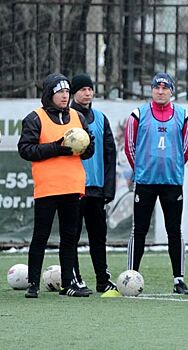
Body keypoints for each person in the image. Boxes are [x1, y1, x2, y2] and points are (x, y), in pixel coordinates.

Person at [18, 73, 94, 298]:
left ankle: (68, 284)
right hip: (48, 187)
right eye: (59, 91)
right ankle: (33, 284)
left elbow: (89, 149)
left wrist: (83, 147)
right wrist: (57, 148)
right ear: (49, 94)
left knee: (69, 237)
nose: (64, 95)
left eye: (67, 91)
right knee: (40, 236)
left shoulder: (78, 117)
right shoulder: (35, 118)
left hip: (72, 185)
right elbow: (26, 150)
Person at [125, 72, 188, 295]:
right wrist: (143, 168)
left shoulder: (183, 116)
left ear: (172, 91)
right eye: (157, 87)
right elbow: (130, 146)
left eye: (165, 88)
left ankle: (178, 279)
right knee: (140, 230)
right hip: (145, 181)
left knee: (174, 230)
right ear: (151, 90)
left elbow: (187, 148)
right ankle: (131, 276)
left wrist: (172, 166)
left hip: (172, 182)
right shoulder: (138, 114)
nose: (160, 91)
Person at [70, 73, 117, 294]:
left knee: (99, 237)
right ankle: (74, 278)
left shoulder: (100, 118)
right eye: (82, 89)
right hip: (72, 188)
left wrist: (108, 188)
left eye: (90, 89)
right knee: (72, 236)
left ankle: (102, 279)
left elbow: (110, 155)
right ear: (73, 93)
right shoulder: (66, 118)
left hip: (96, 189)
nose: (87, 93)